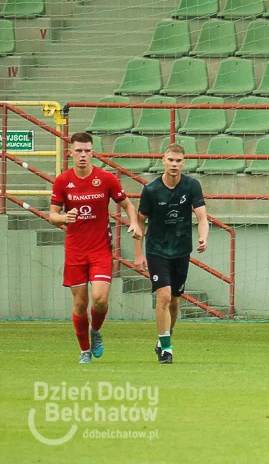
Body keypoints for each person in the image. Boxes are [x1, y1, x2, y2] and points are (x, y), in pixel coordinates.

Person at [49, 132, 142, 364]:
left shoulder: (106, 178)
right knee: (80, 304)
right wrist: (63, 218)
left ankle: (96, 331)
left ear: (93, 153)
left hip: (100, 249)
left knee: (99, 299)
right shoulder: (62, 181)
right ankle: (84, 351)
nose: (83, 155)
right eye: (78, 151)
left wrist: (133, 222)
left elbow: (128, 205)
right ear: (70, 152)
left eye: (87, 151)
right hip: (75, 250)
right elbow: (52, 215)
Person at [134, 144, 208, 364]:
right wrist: (139, 254)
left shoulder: (192, 185)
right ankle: (166, 350)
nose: (174, 164)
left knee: (175, 301)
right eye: (171, 160)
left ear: (183, 163)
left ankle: (164, 337)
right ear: (163, 161)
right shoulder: (151, 190)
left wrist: (203, 237)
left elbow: (202, 216)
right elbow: (140, 221)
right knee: (164, 295)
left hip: (181, 249)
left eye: (178, 161)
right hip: (157, 249)